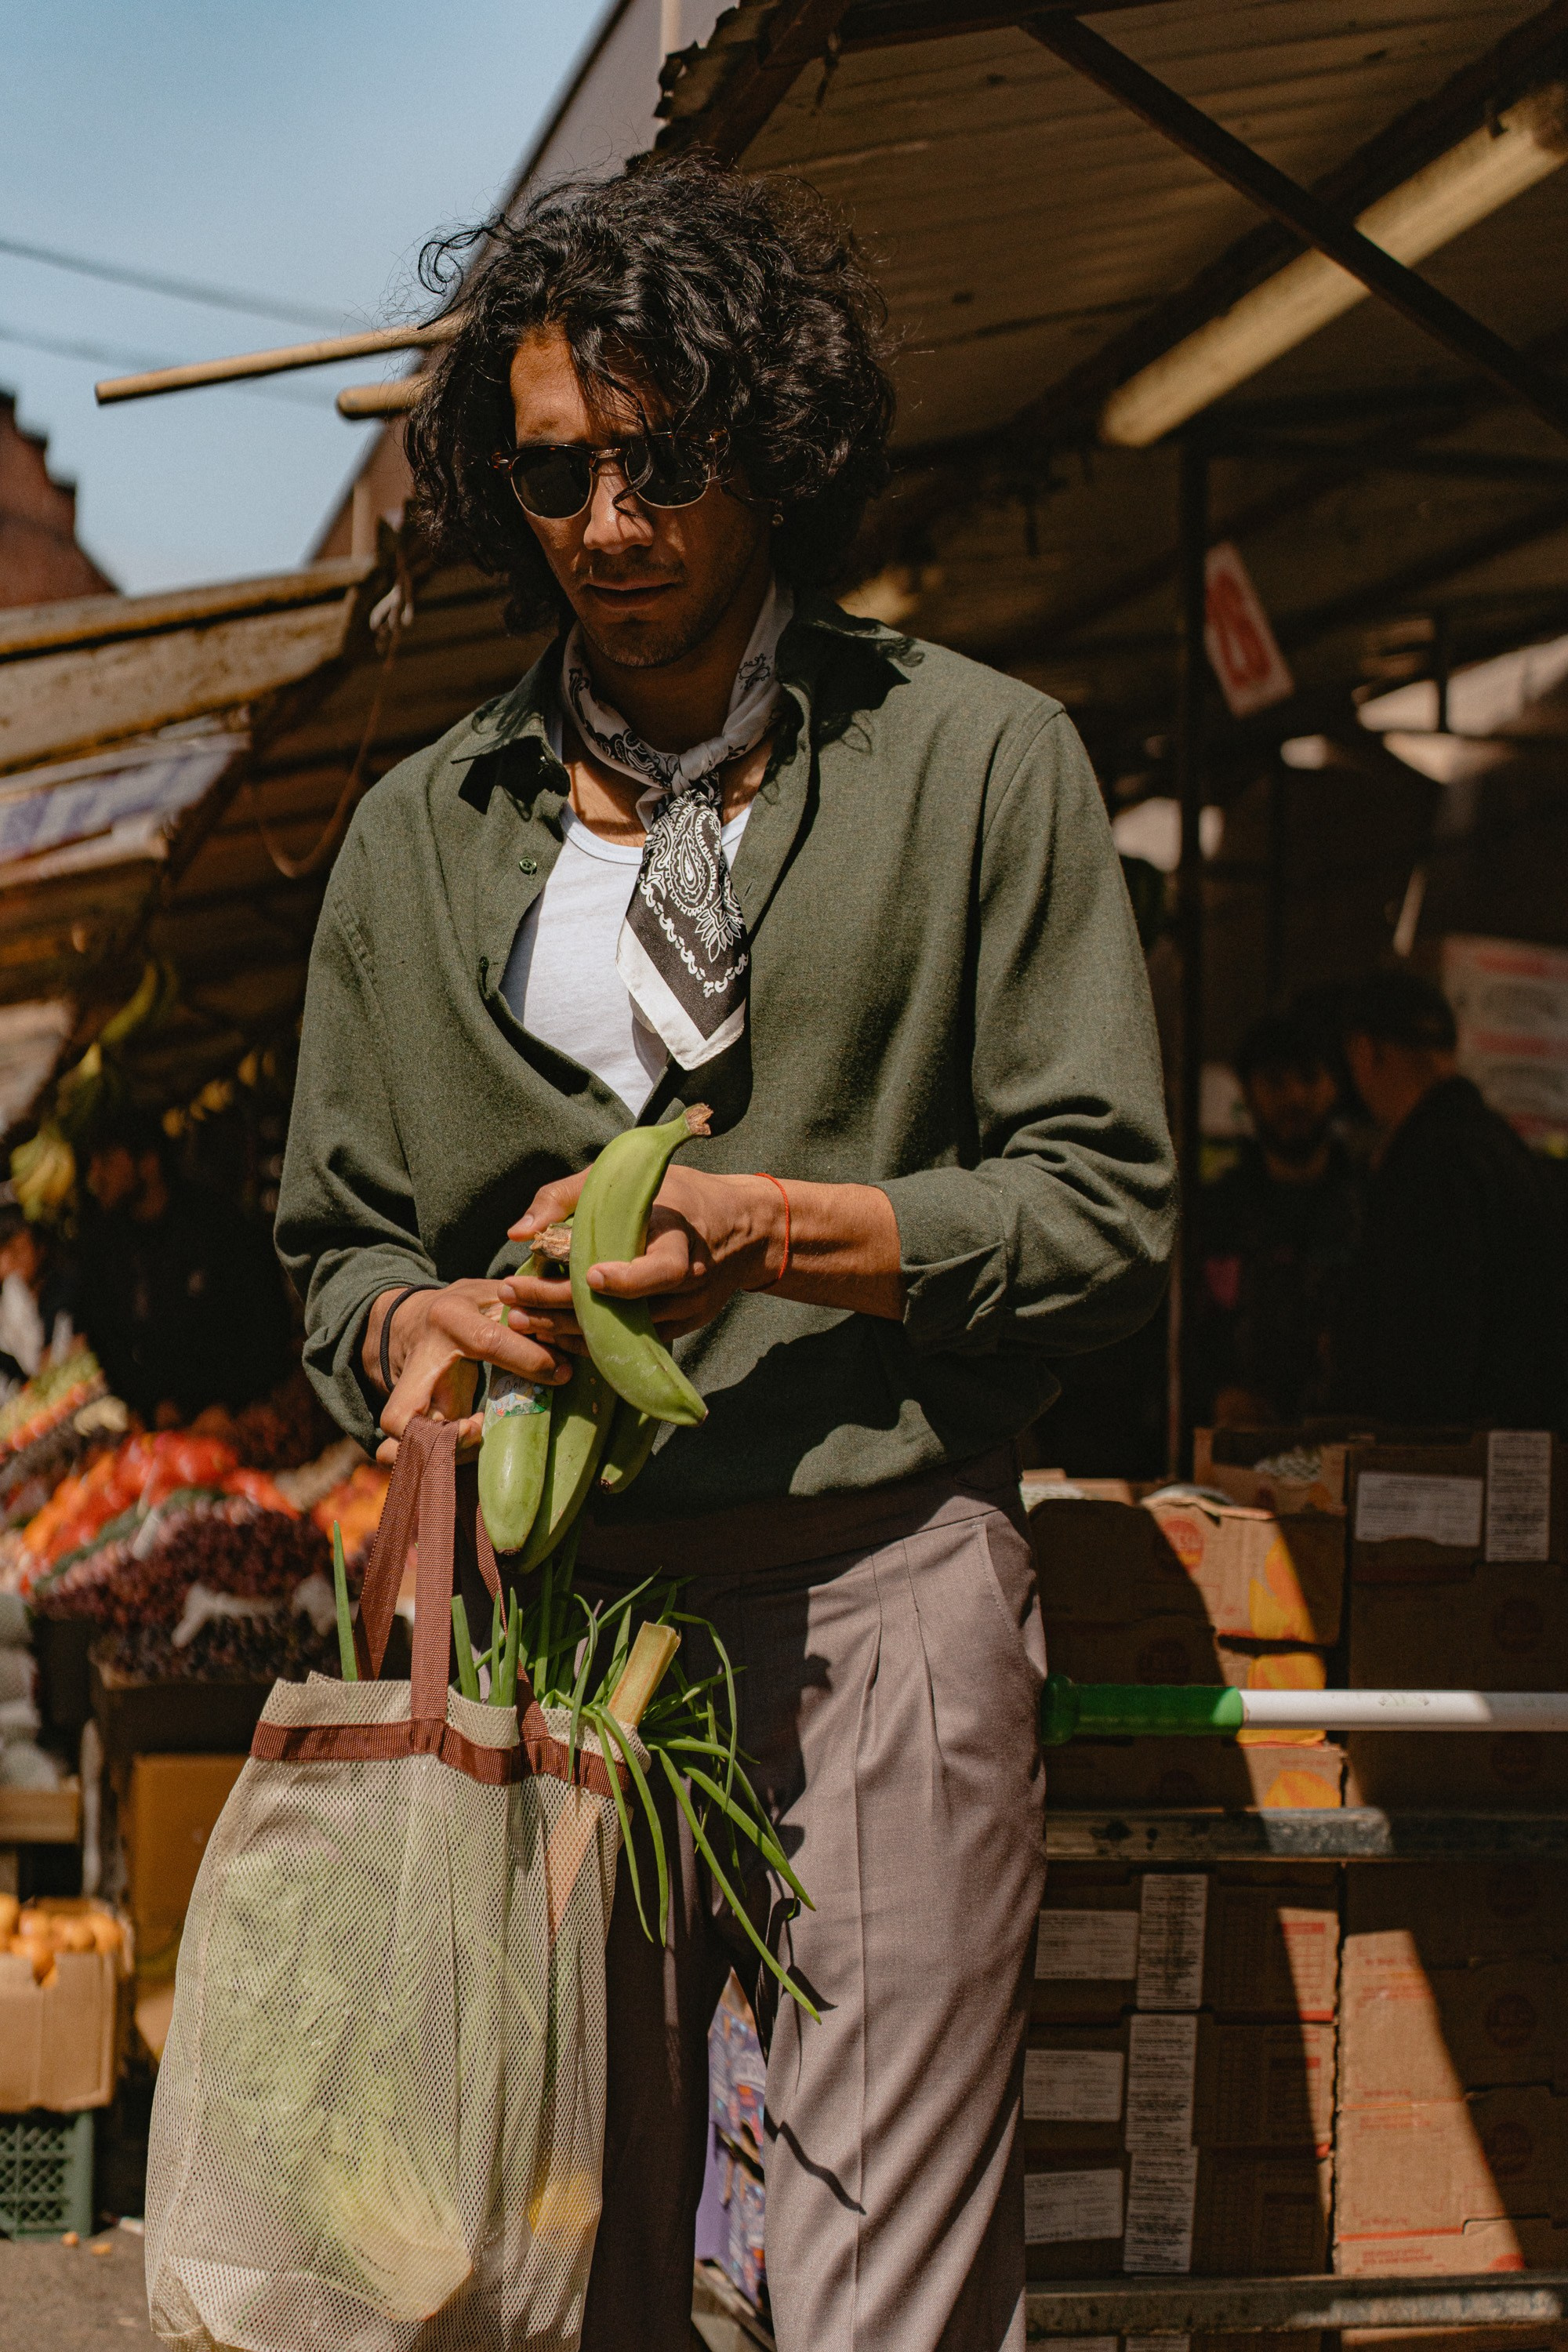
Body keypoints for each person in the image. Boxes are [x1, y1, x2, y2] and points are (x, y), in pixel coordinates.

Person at [277, 157, 1175, 2352]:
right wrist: (417, 1324)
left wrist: (783, 1227)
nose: (612, 527)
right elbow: (335, 1249)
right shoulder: (420, 835)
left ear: (769, 445)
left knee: (877, 2272)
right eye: (559, 473)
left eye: (666, 465)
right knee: (570, 2254)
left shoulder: (978, 765)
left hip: (883, 1585)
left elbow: (1103, 1210)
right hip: (549, 1636)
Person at [1333, 969, 1565, 1429]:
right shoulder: (1505, 1148)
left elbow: (1427, 1348)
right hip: (1526, 1449)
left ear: (1367, 1051)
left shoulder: (1424, 1163)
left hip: (1450, 1464)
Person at [1193, 1011, 1361, 1427]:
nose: (1293, 1099)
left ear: (1334, 1086)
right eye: (1274, 1082)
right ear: (1248, 1093)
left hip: (1348, 1432)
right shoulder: (1217, 1211)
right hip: (1235, 1440)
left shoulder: (1370, 1205)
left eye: (1308, 1078)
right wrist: (1214, 1394)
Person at [76, 1108, 292, 1425]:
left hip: (240, 1421)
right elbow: (107, 1341)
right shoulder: (106, 1250)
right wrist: (151, 1404)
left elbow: (265, 1318)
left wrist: (231, 1403)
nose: (95, 1176)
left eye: (107, 1161)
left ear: (148, 1162)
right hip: (168, 1437)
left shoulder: (215, 1225)